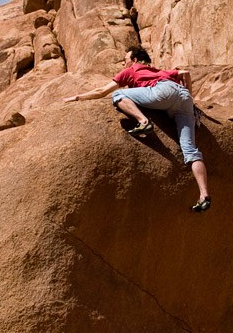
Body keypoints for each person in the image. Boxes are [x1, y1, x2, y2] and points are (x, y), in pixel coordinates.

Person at [64, 47, 211, 212]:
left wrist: (77, 97)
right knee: (190, 151)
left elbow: (102, 91)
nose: (124, 63)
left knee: (117, 95)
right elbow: (184, 73)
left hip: (161, 91)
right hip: (182, 97)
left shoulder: (131, 70)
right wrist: (190, 99)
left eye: (126, 59)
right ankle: (204, 195)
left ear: (134, 60)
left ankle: (143, 121)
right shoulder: (158, 70)